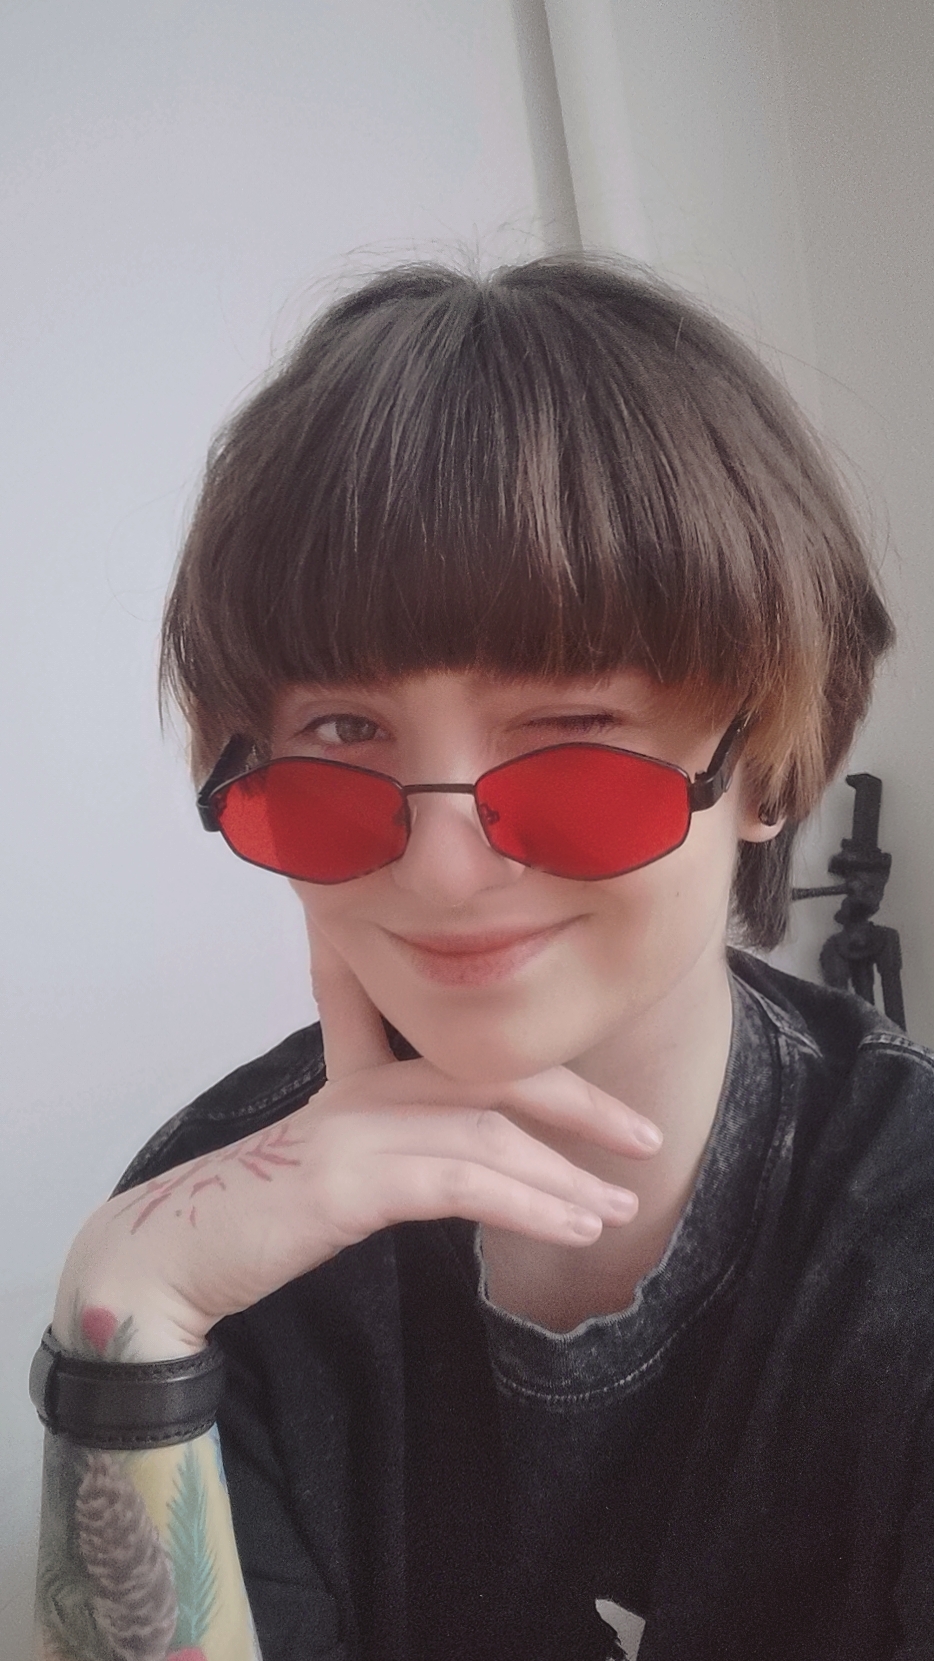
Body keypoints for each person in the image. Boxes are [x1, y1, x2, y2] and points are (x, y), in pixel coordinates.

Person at [30, 256, 929, 1661]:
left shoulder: (902, 1230)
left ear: (766, 764)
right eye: (341, 736)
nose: (441, 870)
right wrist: (126, 1325)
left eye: (571, 730)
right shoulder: (209, 1231)